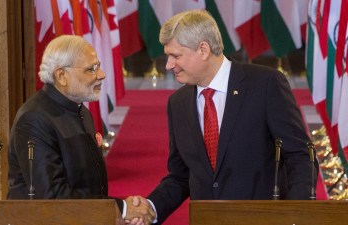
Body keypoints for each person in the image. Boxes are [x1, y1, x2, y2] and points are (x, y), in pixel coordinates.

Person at [129, 10, 319, 224]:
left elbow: (300, 156)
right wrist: (151, 207)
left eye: (176, 56)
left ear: (203, 49)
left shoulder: (265, 85)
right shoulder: (178, 103)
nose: (168, 65)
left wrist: (295, 215)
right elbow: (181, 175)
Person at [7, 35, 155, 224]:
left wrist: (116, 212)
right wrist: (121, 208)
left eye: (98, 66)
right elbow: (51, 197)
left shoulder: (81, 110)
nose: (101, 74)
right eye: (91, 69)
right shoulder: (34, 120)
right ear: (61, 76)